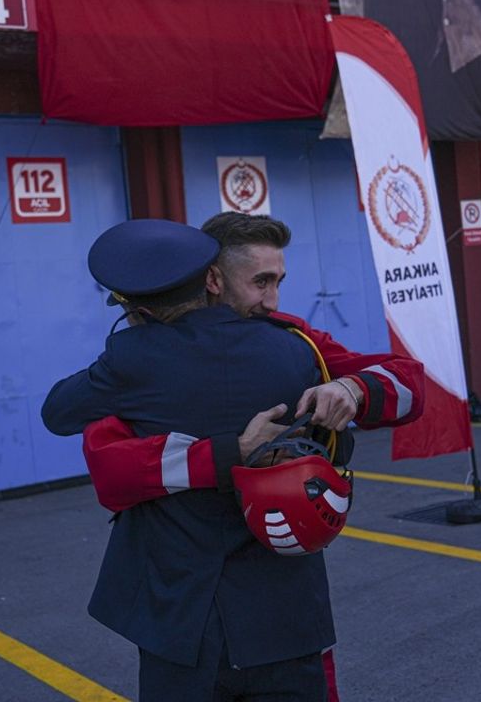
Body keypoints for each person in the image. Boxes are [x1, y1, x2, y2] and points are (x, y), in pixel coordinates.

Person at [77, 213, 426, 700]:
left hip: (279, 612)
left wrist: (354, 388)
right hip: (181, 617)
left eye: (279, 281)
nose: (273, 300)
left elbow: (410, 384)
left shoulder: (294, 339)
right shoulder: (142, 356)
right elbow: (110, 470)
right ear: (213, 279)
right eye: (261, 282)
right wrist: (229, 455)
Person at [42, 218, 349, 701]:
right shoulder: (294, 350)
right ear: (210, 281)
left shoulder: (130, 361)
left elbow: (57, 412)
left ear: (135, 307)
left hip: (181, 622)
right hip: (286, 617)